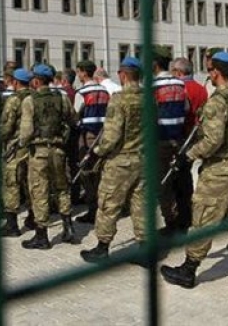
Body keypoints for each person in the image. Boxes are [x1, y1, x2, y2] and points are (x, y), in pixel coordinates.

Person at [160, 51, 228, 291]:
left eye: (210, 70)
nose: (209, 74)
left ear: (216, 72)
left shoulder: (218, 101)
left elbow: (213, 140)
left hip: (219, 170)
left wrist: (188, 156)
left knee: (204, 220)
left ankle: (188, 270)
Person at [80, 57, 147, 262]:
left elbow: (111, 136)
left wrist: (97, 152)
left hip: (120, 161)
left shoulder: (119, 99)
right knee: (140, 204)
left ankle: (102, 247)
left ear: (123, 75)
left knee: (109, 204)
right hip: (143, 158)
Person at [20, 64, 77, 249]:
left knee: (40, 190)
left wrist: (22, 143)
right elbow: (73, 119)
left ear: (36, 80)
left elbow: (26, 131)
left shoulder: (30, 101)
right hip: (58, 150)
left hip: (39, 152)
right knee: (62, 188)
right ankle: (68, 227)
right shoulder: (62, 98)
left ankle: (42, 235)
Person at [152, 47, 188, 236]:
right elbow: (186, 107)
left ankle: (171, 223)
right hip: (179, 139)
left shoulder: (153, 85)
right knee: (178, 181)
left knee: (162, 185)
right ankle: (182, 218)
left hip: (160, 140)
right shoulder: (180, 84)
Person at [169, 57, 208, 234]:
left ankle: (183, 218)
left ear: (178, 72)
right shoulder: (201, 88)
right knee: (185, 176)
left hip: (183, 135)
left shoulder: (181, 89)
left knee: (180, 179)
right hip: (196, 135)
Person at [73, 60, 110, 224]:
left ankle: (92, 210)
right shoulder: (104, 90)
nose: (77, 75)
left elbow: (75, 116)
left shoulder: (82, 92)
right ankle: (103, 208)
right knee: (101, 173)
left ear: (82, 72)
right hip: (103, 136)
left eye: (78, 72)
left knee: (87, 174)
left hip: (87, 136)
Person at [0, 68, 34, 234]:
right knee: (30, 183)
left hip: (16, 146)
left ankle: (12, 224)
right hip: (32, 146)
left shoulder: (14, 100)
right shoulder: (34, 96)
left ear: (16, 82)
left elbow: (7, 126)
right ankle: (33, 217)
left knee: (12, 183)